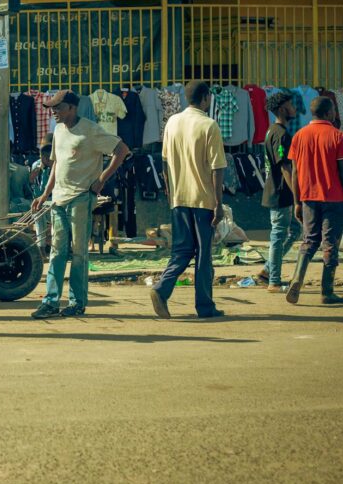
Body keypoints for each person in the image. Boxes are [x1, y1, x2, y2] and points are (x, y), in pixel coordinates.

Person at [30, 91, 129, 319]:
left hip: (81, 199)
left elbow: (121, 150)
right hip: (58, 200)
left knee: (79, 254)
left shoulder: (91, 130)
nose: (54, 112)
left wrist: (101, 180)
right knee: (56, 253)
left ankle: (77, 302)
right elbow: (56, 163)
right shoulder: (58, 131)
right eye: (52, 109)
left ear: (72, 108)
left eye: (58, 108)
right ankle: (50, 302)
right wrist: (45, 194)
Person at [149, 81, 227, 320]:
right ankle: (205, 307)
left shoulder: (172, 122)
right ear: (205, 98)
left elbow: (163, 160)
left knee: (181, 251)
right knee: (204, 255)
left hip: (178, 198)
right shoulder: (209, 125)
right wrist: (218, 203)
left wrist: (170, 189)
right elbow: (217, 168)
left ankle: (162, 289)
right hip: (203, 200)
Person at [286, 96, 343, 305]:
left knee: (309, 240)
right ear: (329, 112)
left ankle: (297, 278)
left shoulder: (299, 136)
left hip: (308, 197)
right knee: (330, 244)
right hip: (334, 199)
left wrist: (297, 201)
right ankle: (327, 291)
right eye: (334, 110)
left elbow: (295, 172)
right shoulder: (338, 136)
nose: (336, 113)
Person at [258, 91, 299, 292]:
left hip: (279, 192)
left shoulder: (272, 131)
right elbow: (285, 168)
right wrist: (297, 196)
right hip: (280, 193)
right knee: (279, 235)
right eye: (291, 105)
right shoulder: (281, 134)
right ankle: (274, 281)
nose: (295, 108)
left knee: (295, 231)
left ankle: (267, 270)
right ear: (283, 109)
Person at [29, 133, 54, 255]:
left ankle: (54, 247)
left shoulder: (58, 164)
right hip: (43, 202)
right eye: (42, 153)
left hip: (57, 201)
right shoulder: (36, 165)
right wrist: (33, 180)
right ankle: (41, 247)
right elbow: (36, 194)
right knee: (38, 212)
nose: (45, 157)